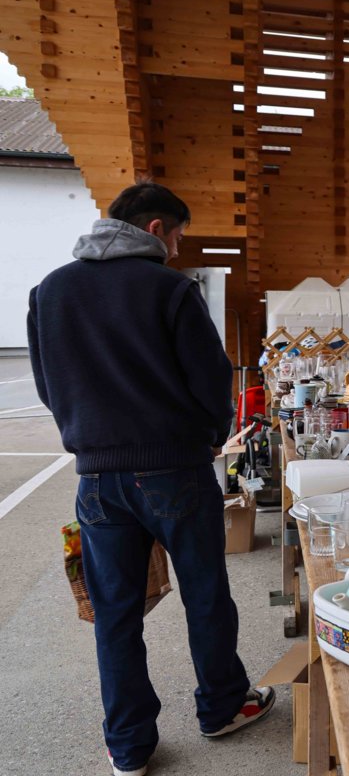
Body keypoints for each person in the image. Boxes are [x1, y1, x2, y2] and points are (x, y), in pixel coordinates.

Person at [27, 183, 274, 776]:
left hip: (96, 478)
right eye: (179, 236)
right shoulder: (170, 289)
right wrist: (211, 435)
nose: (178, 249)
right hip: (175, 469)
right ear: (157, 227)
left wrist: (87, 435)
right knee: (205, 593)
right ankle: (222, 706)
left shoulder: (50, 292)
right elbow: (211, 380)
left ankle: (128, 746)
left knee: (115, 612)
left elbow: (47, 384)